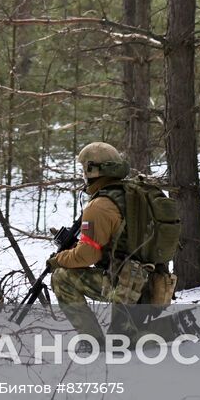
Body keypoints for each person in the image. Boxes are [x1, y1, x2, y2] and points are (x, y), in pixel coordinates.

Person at [46, 142, 147, 342]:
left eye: (84, 169)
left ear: (93, 171)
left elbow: (87, 256)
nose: (83, 175)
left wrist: (59, 259)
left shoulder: (99, 206)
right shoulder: (135, 195)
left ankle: (91, 341)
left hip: (125, 287)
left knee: (61, 277)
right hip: (152, 283)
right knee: (123, 340)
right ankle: (175, 326)